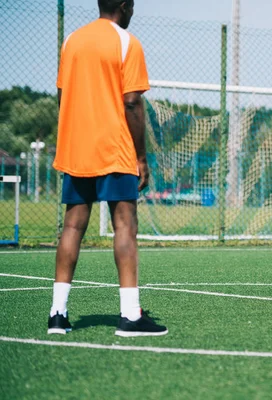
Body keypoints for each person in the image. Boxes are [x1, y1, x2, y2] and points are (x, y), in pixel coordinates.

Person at [47, 0, 168, 336]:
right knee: (125, 226)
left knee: (73, 226)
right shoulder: (127, 42)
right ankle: (130, 316)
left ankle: (58, 314)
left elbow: (62, 94)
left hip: (77, 147)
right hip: (115, 148)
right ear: (126, 6)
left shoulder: (72, 40)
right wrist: (141, 157)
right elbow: (132, 101)